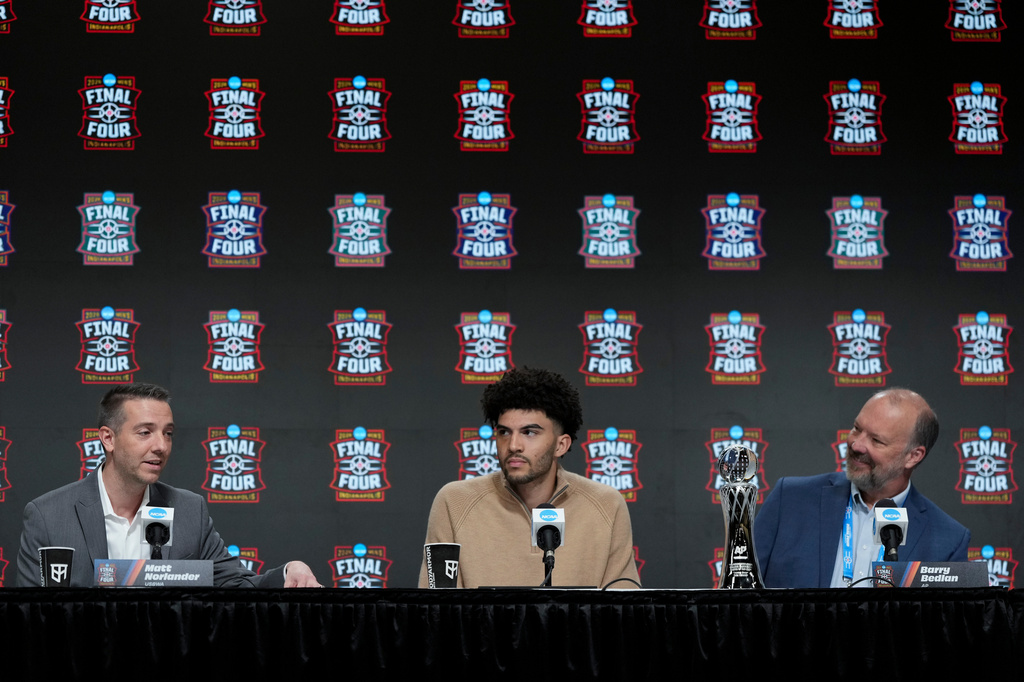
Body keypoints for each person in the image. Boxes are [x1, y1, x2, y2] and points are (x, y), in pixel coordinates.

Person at [17, 383, 321, 588]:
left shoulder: (189, 511)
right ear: (108, 438)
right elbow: (34, 620)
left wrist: (286, 572)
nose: (161, 446)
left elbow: (237, 587)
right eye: (145, 432)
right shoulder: (48, 516)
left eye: (168, 433)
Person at [418, 367, 640, 589]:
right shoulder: (454, 502)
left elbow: (623, 613)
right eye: (504, 432)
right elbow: (435, 613)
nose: (513, 445)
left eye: (529, 432)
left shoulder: (606, 505)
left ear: (561, 445)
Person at [754, 388, 970, 588]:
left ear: (913, 456)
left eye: (876, 440)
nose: (856, 445)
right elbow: (740, 597)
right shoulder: (790, 500)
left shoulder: (948, 540)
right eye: (857, 428)